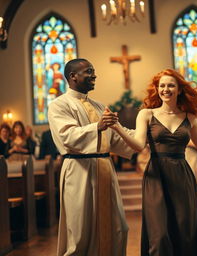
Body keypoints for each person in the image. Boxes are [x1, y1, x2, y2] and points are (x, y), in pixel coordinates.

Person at [109, 69, 197, 256]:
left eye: (170, 85)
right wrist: (117, 127)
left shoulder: (189, 117)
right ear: (157, 89)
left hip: (182, 176)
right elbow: (138, 145)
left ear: (179, 90)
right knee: (158, 234)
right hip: (156, 175)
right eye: (162, 86)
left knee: (185, 230)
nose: (166, 89)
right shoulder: (146, 114)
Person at [48, 58, 134, 256]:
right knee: (80, 233)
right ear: (73, 76)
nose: (94, 75)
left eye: (93, 70)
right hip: (79, 171)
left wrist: (146, 135)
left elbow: (115, 137)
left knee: (117, 227)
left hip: (104, 169)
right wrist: (98, 126)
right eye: (88, 71)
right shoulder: (58, 105)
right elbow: (66, 137)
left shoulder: (99, 105)